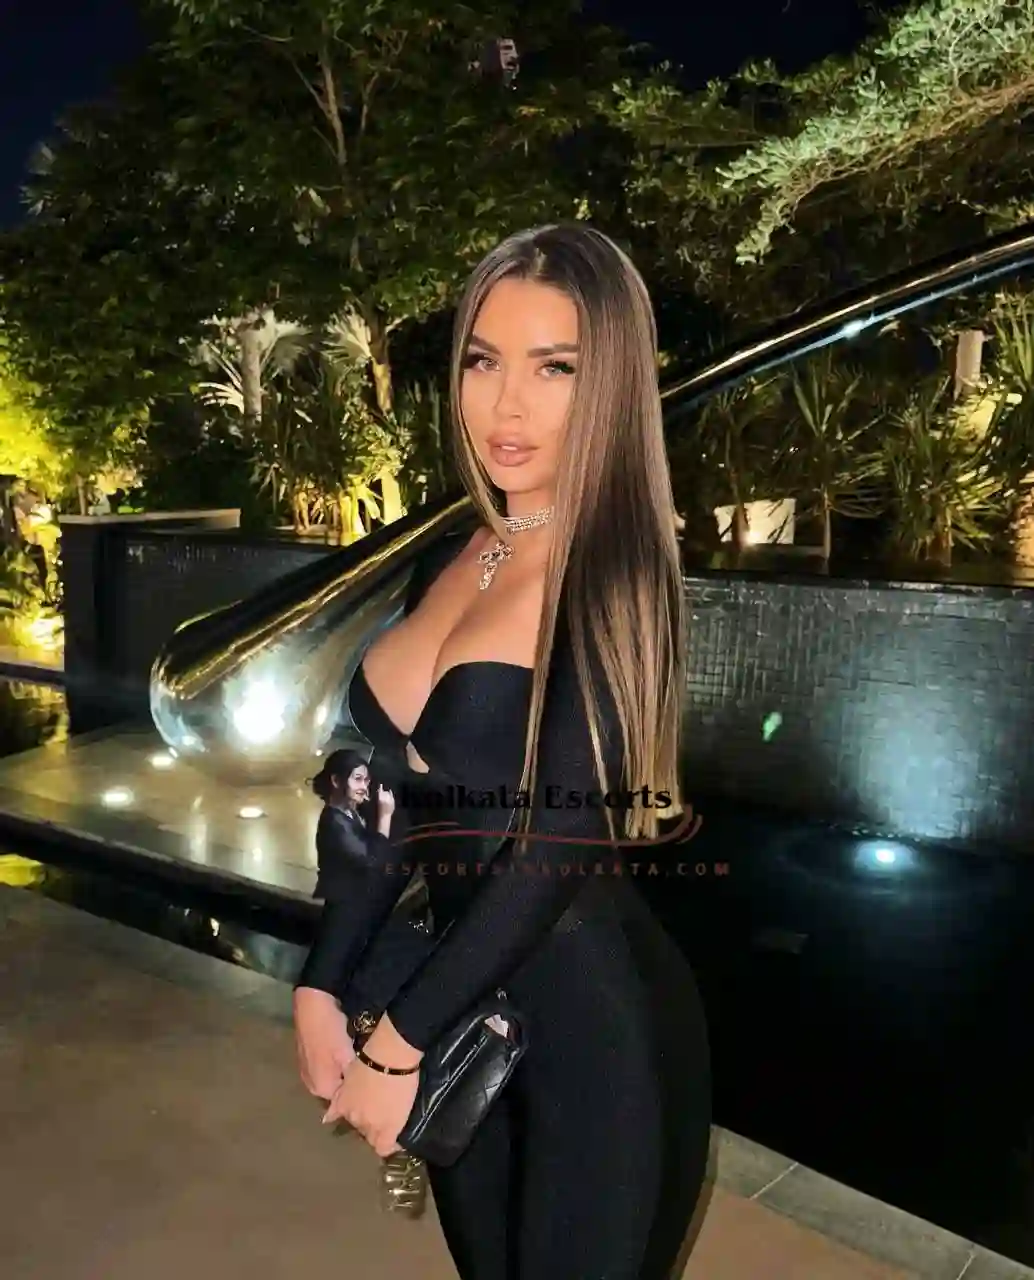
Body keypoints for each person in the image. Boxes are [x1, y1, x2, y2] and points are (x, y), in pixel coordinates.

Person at [293, 223, 712, 1278]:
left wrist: (397, 1043)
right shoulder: (449, 551)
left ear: (609, 384)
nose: (506, 404)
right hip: (460, 1002)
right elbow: (383, 795)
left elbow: (557, 846)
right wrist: (321, 981)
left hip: (590, 1027)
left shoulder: (617, 570)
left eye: (552, 367)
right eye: (483, 361)